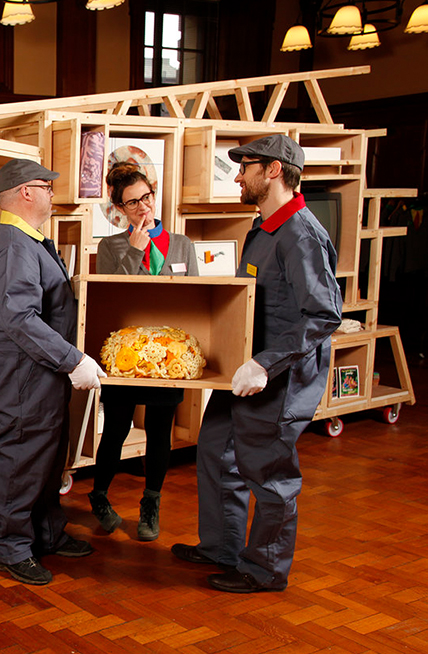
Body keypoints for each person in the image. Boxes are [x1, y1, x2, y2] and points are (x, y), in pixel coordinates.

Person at [172, 134, 342, 593]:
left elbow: (324, 314)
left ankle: (264, 569)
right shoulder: (263, 227)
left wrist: (266, 364)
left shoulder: (302, 235)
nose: (238, 174)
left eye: (245, 166)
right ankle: (222, 548)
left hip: (278, 378)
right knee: (213, 450)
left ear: (273, 172)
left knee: (269, 475)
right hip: (244, 374)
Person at [0, 158, 105, 586]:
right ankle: (9, 549)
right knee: (23, 460)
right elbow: (20, 319)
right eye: (46, 187)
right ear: (26, 192)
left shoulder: (29, 241)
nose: (52, 193)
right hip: (22, 377)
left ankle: (47, 533)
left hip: (40, 374)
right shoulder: (14, 244)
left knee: (48, 458)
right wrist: (74, 360)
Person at [89, 162, 200, 542]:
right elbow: (109, 297)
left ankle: (151, 503)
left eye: (146, 197)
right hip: (125, 358)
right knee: (116, 430)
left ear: (154, 193)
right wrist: (133, 253)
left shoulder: (183, 244)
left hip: (166, 362)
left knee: (158, 433)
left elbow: (195, 300)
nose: (143, 208)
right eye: (132, 202)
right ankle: (99, 495)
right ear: (119, 208)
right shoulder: (110, 246)